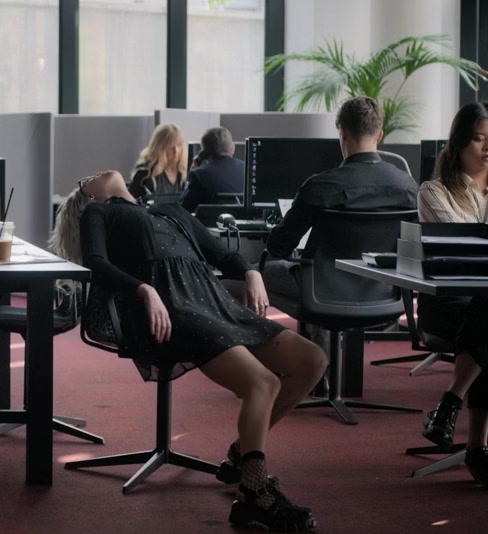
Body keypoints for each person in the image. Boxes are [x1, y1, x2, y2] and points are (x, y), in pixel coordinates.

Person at [56, 170, 326, 532]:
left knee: (312, 361)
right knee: (263, 383)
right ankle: (254, 491)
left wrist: (251, 273)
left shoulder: (170, 209)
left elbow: (219, 254)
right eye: (86, 178)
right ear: (89, 196)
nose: (98, 171)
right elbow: (96, 263)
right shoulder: (98, 212)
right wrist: (143, 289)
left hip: (214, 303)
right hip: (173, 310)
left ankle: (243, 452)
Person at [262, 96, 418, 317]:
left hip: (321, 292)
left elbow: (279, 247)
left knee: (253, 274)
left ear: (342, 133)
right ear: (379, 135)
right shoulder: (408, 187)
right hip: (384, 291)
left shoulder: (320, 186)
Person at [417, 101, 488, 486]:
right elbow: (465, 247)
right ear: (459, 143)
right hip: (447, 301)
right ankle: (477, 447)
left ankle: (450, 404)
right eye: (479, 139)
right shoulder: (434, 191)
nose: (487, 148)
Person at [181, 127, 245, 212]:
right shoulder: (247, 170)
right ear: (233, 148)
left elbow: (183, 209)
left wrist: (192, 172)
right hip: (244, 220)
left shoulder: (199, 175)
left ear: (205, 153)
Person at [129, 123, 188, 201]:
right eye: (171, 146)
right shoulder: (145, 173)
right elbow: (131, 202)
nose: (176, 151)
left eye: (179, 145)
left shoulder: (186, 171)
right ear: (159, 147)